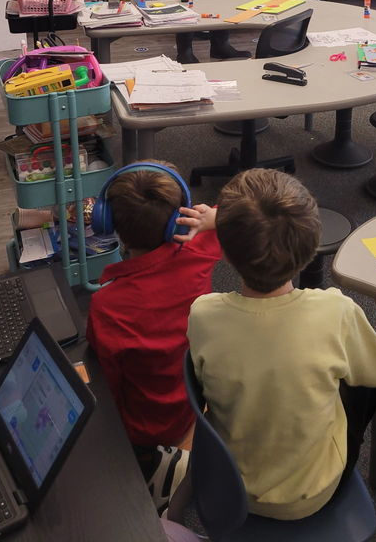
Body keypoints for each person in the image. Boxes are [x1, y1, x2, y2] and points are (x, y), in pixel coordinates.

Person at [187, 168, 376, 521]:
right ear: (310, 251)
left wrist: (225, 222)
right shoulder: (335, 312)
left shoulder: (203, 313)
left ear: (226, 254)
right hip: (310, 494)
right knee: (366, 374)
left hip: (233, 483)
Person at [86, 162, 221, 511]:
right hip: (193, 400)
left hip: (144, 429)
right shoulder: (201, 248)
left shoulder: (107, 305)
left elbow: (110, 383)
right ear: (181, 216)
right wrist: (211, 219)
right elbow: (244, 214)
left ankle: (156, 471)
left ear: (106, 222)